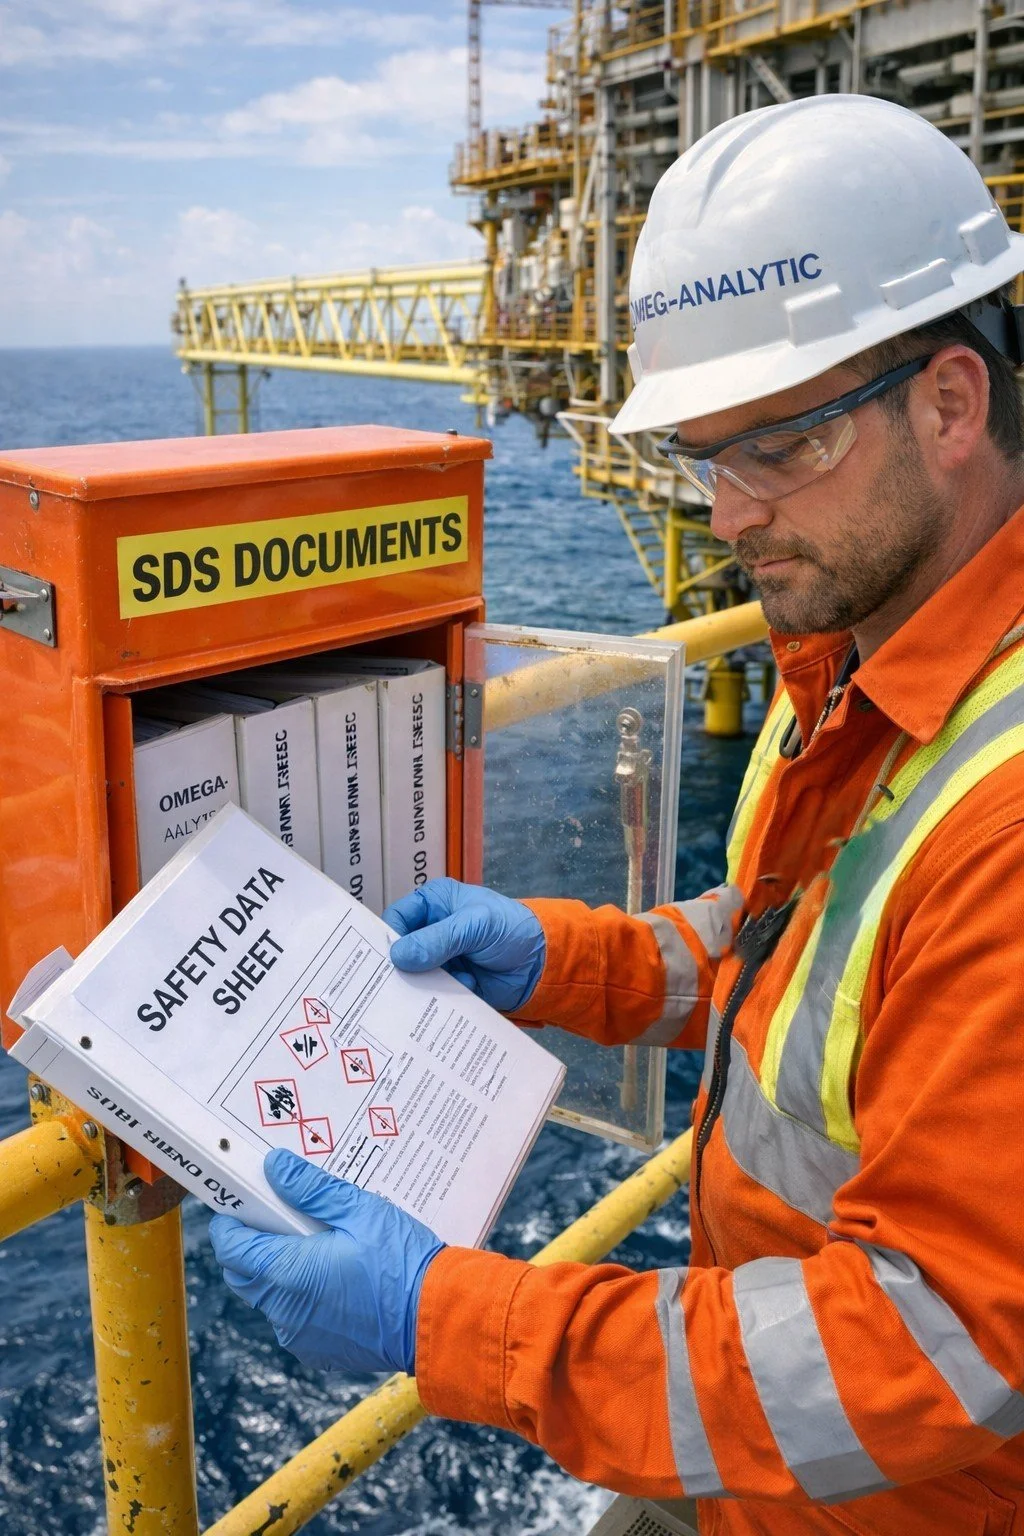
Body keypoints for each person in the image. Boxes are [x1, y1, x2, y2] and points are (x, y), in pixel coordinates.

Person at [209, 93, 1024, 1534]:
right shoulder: (866, 648)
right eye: (705, 456)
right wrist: (567, 961)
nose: (726, 514)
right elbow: (810, 956)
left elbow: (935, 1350)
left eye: (776, 447)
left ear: (951, 406)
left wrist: (452, 1320)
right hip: (776, 1478)